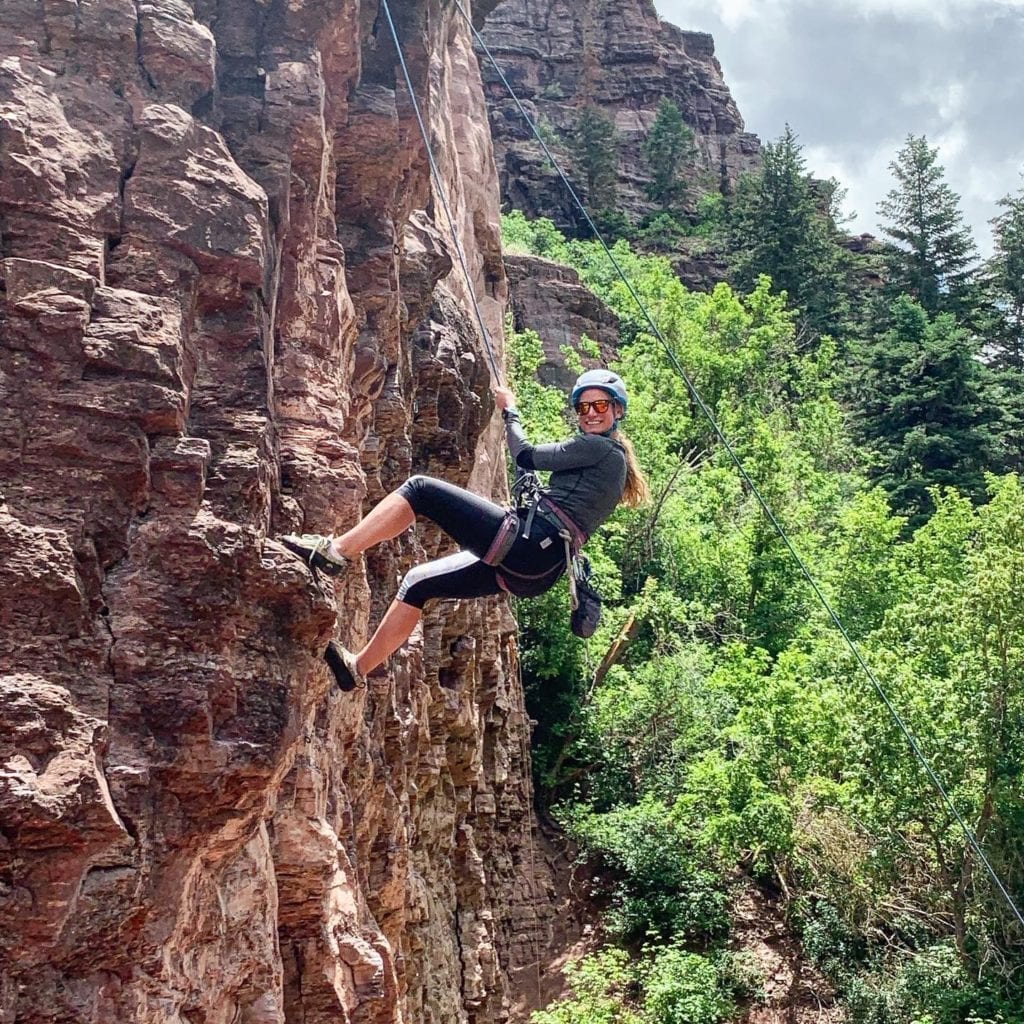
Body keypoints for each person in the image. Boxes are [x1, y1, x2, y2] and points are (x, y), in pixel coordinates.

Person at [280, 369, 650, 691]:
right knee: (418, 584)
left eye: (600, 406)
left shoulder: (599, 449)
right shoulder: (613, 463)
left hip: (528, 544)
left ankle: (336, 552)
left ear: (618, 411)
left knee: (420, 490)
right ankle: (357, 668)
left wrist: (510, 410)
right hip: (536, 570)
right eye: (583, 407)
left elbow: (524, 453)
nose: (590, 414)